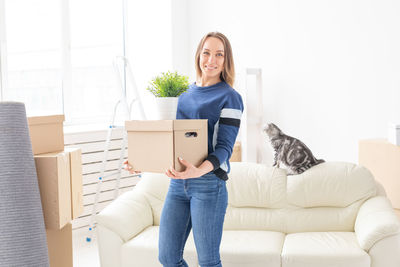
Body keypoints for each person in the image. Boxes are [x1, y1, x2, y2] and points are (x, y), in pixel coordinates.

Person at [124, 31, 243, 267]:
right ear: (198, 55)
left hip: (209, 185)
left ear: (226, 60)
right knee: (167, 258)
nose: (212, 59)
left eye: (219, 54)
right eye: (206, 52)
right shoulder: (181, 95)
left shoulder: (230, 97)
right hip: (178, 184)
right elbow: (170, 140)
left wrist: (198, 171)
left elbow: (225, 148)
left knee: (208, 261)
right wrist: (140, 161)